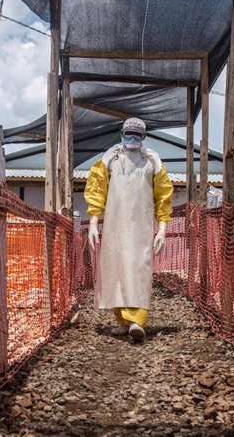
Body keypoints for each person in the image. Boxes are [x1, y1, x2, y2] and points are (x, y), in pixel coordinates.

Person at [84, 117, 174, 342]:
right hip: (115, 225)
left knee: (138, 269)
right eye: (128, 134)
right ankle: (123, 321)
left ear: (144, 137)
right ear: (121, 133)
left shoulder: (152, 160)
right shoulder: (109, 158)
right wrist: (94, 223)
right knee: (115, 269)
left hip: (141, 226)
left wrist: (162, 229)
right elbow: (97, 189)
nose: (132, 139)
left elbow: (163, 195)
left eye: (137, 135)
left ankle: (137, 321)